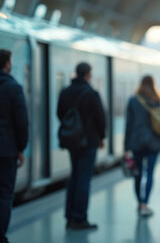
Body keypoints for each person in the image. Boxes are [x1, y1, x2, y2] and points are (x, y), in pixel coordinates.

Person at [57, 62, 106, 230]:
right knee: (84, 178)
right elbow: (101, 118)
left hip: (72, 141)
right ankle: (79, 218)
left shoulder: (65, 92)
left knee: (74, 176)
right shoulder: (91, 93)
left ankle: (69, 215)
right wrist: (101, 137)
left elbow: (60, 113)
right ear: (88, 75)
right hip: (89, 141)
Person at [124, 76, 160, 217]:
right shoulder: (157, 100)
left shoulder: (133, 101)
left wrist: (126, 146)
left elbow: (128, 125)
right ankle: (145, 204)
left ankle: (139, 202)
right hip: (153, 142)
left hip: (136, 142)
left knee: (138, 173)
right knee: (149, 174)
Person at [0, 50, 28, 243]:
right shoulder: (13, 88)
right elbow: (21, 122)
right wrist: (21, 148)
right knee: (3, 194)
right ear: (7, 64)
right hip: (6, 151)